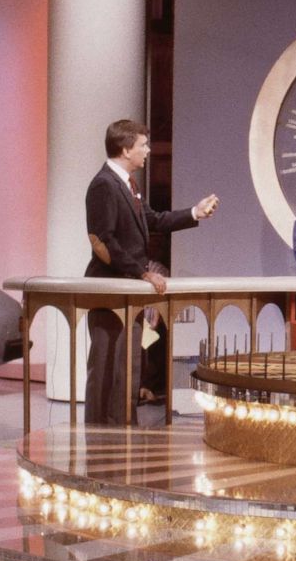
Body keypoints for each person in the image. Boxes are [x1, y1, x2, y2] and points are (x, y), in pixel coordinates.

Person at [84, 119, 218, 425]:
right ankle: (100, 435)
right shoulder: (104, 185)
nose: (148, 150)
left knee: (127, 367)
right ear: (125, 147)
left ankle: (122, 429)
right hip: (110, 292)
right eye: (143, 145)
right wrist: (143, 273)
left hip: (128, 293)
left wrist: (194, 213)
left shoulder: (129, 185)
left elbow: (154, 220)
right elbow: (104, 241)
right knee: (107, 366)